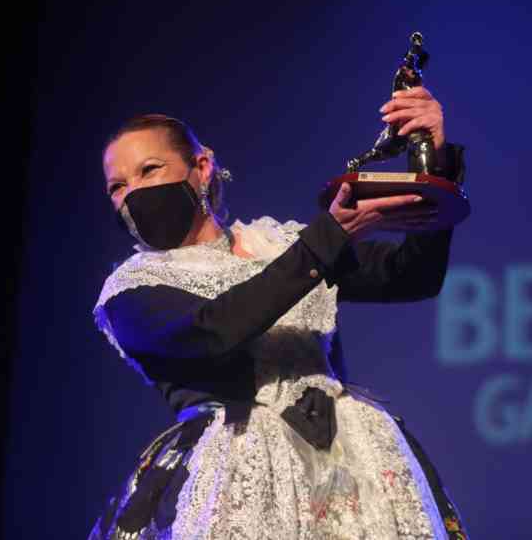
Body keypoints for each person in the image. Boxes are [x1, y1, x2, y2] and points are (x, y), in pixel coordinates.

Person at [89, 88, 469, 539]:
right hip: (240, 474)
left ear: (202, 168)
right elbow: (215, 329)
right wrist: (325, 241)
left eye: (149, 170)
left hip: (351, 463)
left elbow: (412, 276)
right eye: (117, 187)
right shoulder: (130, 291)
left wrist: (430, 158)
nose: (133, 193)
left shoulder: (277, 245)